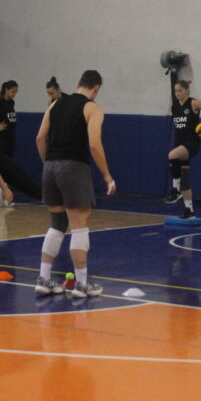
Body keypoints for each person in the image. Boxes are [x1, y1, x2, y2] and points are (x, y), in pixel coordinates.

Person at [33, 70, 116, 298]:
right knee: (79, 225)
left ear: (78, 83)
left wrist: (49, 164)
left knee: (57, 223)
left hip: (50, 166)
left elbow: (39, 138)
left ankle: (44, 279)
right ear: (96, 89)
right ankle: (82, 284)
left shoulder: (55, 104)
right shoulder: (92, 108)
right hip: (74, 167)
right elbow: (94, 144)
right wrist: (107, 175)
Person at [165, 80, 201, 219]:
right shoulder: (174, 106)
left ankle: (175, 189)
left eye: (180, 90)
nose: (177, 93)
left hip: (191, 144)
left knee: (171, 156)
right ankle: (190, 211)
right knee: (185, 180)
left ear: (187, 91)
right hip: (179, 144)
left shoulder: (193, 103)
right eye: (176, 91)